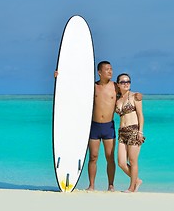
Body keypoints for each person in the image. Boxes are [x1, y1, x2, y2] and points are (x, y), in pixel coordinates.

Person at [54, 61, 141, 191]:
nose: (110, 71)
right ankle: (92, 185)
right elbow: (74, 89)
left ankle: (111, 185)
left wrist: (138, 95)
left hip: (108, 126)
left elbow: (127, 92)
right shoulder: (92, 86)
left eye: (111, 69)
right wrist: (60, 77)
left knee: (109, 157)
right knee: (93, 157)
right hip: (94, 126)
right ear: (99, 72)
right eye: (107, 69)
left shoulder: (115, 87)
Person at [115, 73, 145, 192]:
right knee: (121, 163)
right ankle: (137, 180)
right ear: (118, 84)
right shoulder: (117, 98)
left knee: (133, 161)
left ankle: (132, 187)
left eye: (128, 81)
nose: (126, 84)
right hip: (122, 132)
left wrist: (140, 132)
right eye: (123, 82)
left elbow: (140, 115)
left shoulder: (135, 96)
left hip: (133, 130)